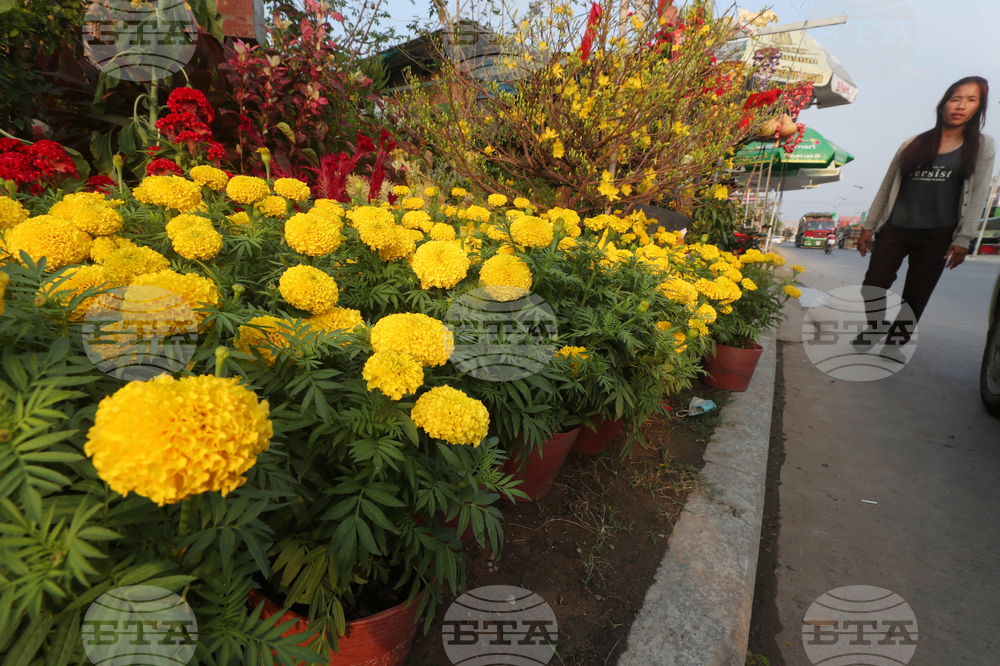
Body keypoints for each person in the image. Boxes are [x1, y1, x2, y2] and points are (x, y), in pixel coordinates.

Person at [855, 76, 995, 358]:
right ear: (943, 105)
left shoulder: (982, 146)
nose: (961, 106)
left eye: (971, 100)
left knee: (916, 294)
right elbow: (886, 188)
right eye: (955, 99)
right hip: (895, 227)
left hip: (938, 233)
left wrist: (964, 238)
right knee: (872, 285)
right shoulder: (913, 144)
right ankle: (876, 326)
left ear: (978, 108)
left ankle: (895, 343)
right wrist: (868, 226)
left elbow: (979, 194)